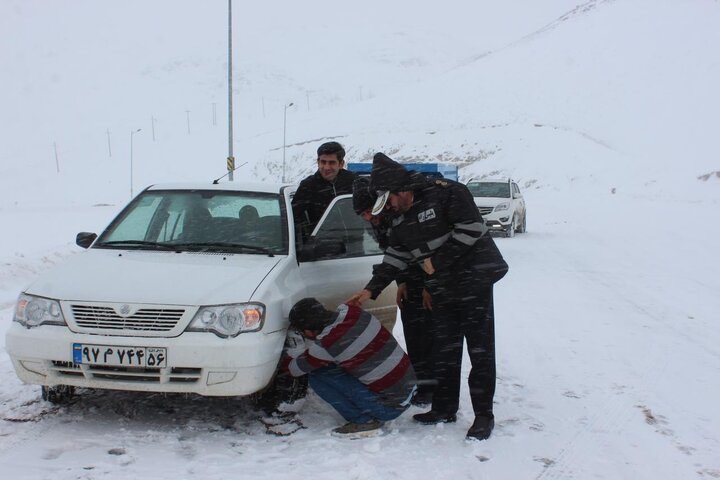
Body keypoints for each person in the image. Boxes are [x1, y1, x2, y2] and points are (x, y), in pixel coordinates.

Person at [347, 152, 508, 441]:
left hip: (474, 282)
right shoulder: (398, 217)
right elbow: (395, 255)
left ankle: (484, 415)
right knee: (445, 350)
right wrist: (370, 289)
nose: (389, 208)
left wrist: (437, 261)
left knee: (480, 351)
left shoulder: (449, 195)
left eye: (391, 200)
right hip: (443, 287)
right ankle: (444, 408)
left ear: (404, 190)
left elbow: (470, 229)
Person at [352, 177, 435, 406]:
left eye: (369, 211)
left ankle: (435, 389)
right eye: (363, 215)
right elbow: (393, 255)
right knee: (414, 336)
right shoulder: (378, 223)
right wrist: (401, 282)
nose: (368, 218)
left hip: (431, 280)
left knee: (431, 338)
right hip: (408, 281)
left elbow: (427, 253)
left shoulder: (403, 217)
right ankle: (422, 384)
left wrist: (431, 285)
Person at [283, 298, 417, 438]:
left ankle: (363, 422)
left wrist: (285, 355)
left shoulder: (327, 344)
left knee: (317, 375)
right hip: (409, 388)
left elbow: (294, 369)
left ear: (309, 332)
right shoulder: (354, 312)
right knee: (338, 362)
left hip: (389, 408)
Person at [292, 141, 357, 241]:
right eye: (323, 162)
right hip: (322, 246)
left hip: (356, 241)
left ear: (341, 164)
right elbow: (294, 217)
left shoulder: (353, 181)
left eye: (331, 163)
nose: (326, 167)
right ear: (318, 162)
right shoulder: (308, 186)